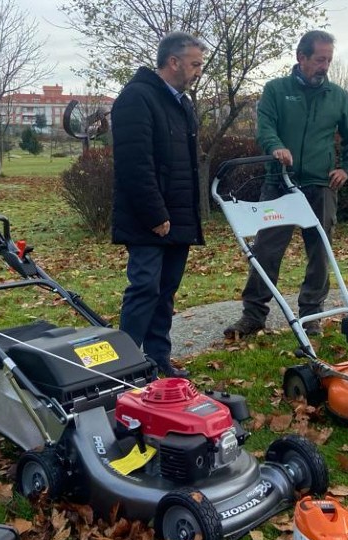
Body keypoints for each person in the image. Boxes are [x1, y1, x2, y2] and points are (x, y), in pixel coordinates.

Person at [223, 30, 348, 339]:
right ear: (301, 58)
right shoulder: (276, 90)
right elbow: (265, 128)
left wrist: (347, 168)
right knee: (266, 250)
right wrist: (276, 147)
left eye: (328, 59)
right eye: (319, 59)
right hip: (279, 183)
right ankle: (254, 315)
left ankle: (311, 314)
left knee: (319, 251)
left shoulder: (338, 96)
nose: (324, 66)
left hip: (321, 183)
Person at [111, 32, 206, 378]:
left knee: (166, 290)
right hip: (149, 218)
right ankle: (123, 365)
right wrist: (155, 214)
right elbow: (135, 163)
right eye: (195, 64)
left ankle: (157, 358)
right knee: (145, 288)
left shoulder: (182, 103)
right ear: (174, 62)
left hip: (178, 216)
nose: (198, 71)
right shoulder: (136, 98)